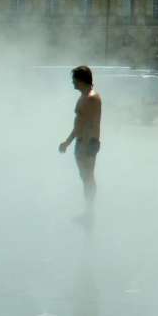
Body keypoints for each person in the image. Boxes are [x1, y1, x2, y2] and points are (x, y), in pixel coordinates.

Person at [58, 66, 103, 217]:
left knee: (88, 177)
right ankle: (88, 211)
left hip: (87, 142)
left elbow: (85, 124)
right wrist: (69, 141)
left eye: (74, 80)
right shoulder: (85, 96)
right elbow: (79, 123)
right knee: (85, 177)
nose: (72, 83)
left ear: (80, 80)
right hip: (83, 141)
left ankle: (89, 212)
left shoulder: (91, 98)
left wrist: (69, 142)